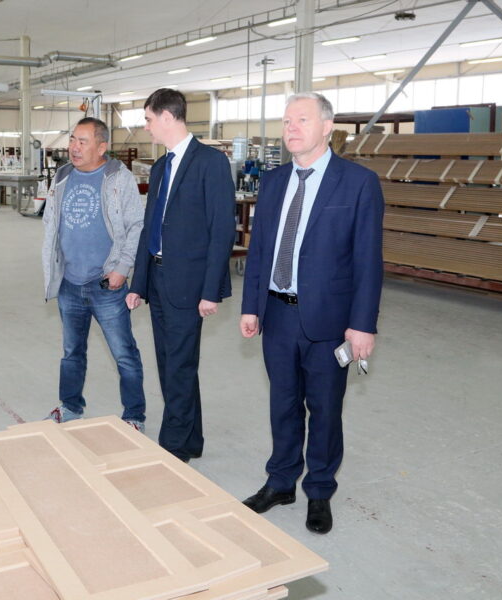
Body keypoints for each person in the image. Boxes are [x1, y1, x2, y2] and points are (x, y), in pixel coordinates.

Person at [239, 92, 384, 534]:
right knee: (282, 404)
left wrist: (362, 325)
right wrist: (251, 306)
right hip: (277, 314)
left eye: (302, 119)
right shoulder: (274, 181)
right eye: (286, 121)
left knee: (324, 409)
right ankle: (281, 481)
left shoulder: (357, 183)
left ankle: (319, 490)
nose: (291, 128)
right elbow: (260, 249)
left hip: (329, 320)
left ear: (327, 126)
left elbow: (368, 261)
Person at [126, 88, 235, 462]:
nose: (146, 127)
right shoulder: (161, 167)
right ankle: (191, 440)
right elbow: (150, 227)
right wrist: (139, 283)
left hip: (189, 284)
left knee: (179, 366)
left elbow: (222, 230)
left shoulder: (210, 162)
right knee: (172, 364)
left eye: (148, 119)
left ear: (167, 117)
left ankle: (171, 450)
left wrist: (211, 290)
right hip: (157, 280)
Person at [42, 117, 147, 431]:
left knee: (124, 354)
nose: (74, 147)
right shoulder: (62, 176)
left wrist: (122, 268)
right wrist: (55, 269)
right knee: (71, 353)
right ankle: (70, 407)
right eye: (73, 139)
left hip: (106, 284)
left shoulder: (118, 177)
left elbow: (136, 225)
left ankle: (134, 416)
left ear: (101, 147)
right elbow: (51, 223)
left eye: (82, 141)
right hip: (70, 283)